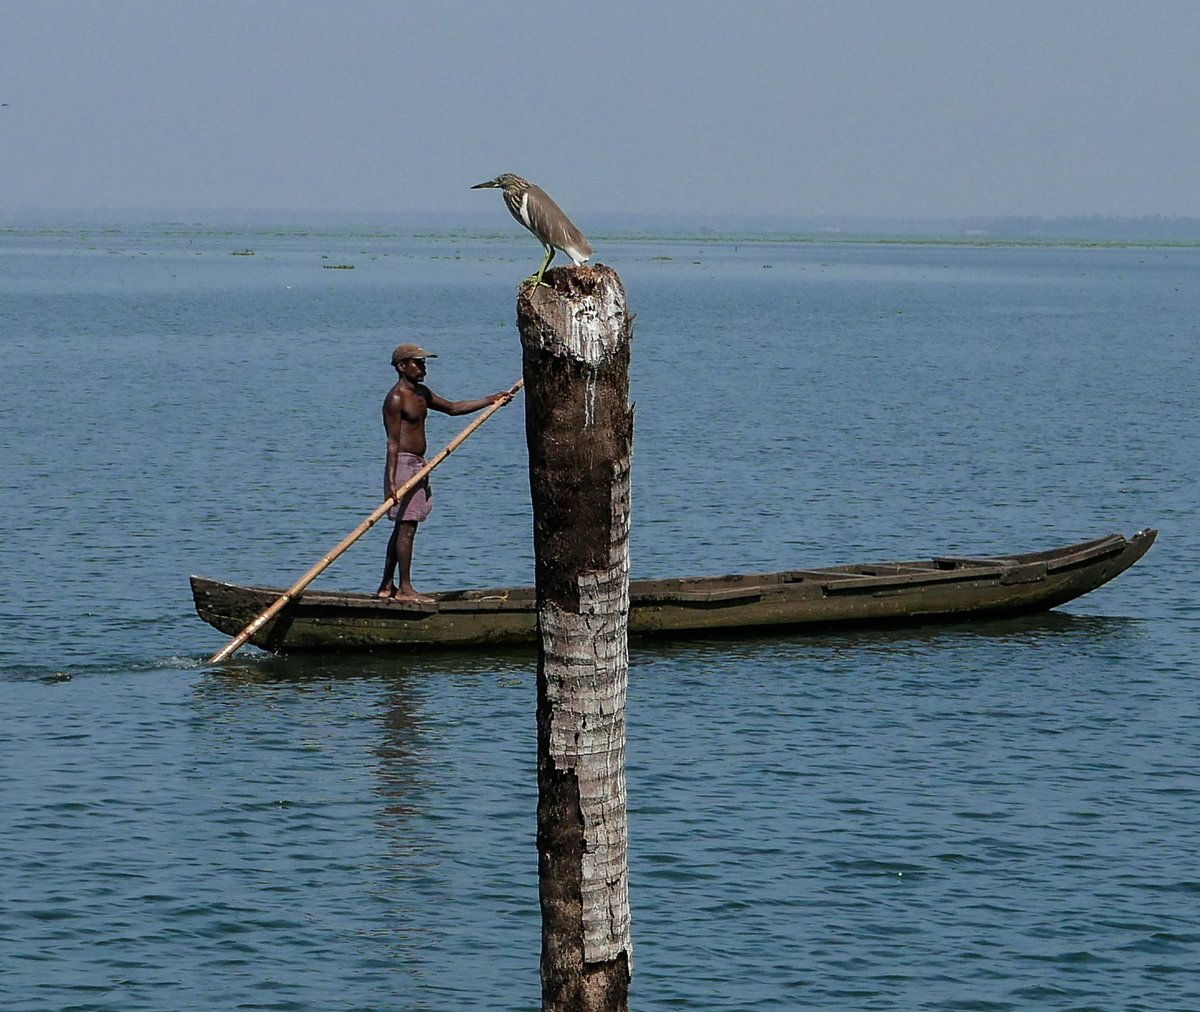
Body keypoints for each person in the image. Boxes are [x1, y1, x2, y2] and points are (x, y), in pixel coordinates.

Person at [376, 343, 513, 603]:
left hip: (419, 463)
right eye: (417, 363)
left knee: (404, 528)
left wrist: (490, 400)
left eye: (424, 363)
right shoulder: (396, 398)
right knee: (406, 528)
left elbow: (452, 408)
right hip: (404, 466)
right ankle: (404, 589)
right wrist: (390, 482)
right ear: (401, 366)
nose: (423, 367)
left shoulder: (421, 393)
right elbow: (392, 443)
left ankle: (386, 586)